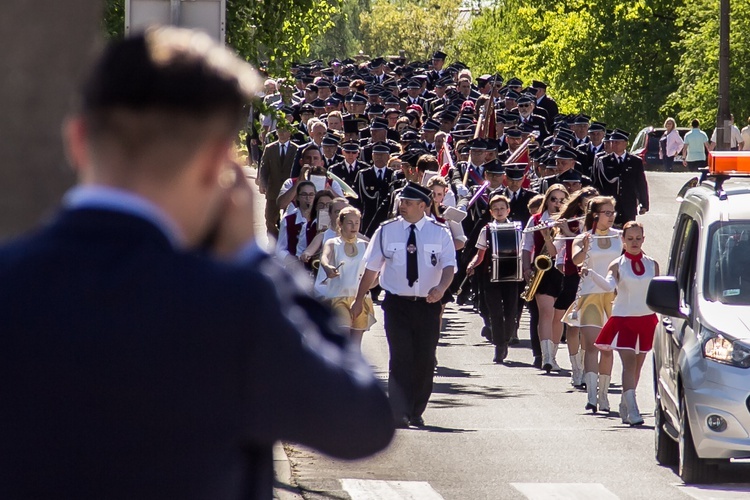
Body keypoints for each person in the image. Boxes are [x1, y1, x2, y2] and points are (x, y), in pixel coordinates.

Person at [0, 27, 394, 499]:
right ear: (216, 166)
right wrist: (256, 257)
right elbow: (362, 420)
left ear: (78, 139)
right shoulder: (234, 303)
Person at [351, 182, 456, 428]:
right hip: (397, 303)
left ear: (423, 206)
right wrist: (359, 299)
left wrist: (441, 288)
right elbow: (372, 268)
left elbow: (450, 265)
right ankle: (399, 411)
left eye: (408, 203)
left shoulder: (439, 232)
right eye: (401, 201)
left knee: (425, 358)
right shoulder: (387, 230)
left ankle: (417, 408)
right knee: (400, 357)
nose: (403, 206)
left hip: (428, 305)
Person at [591, 221, 659, 425]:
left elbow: (656, 292)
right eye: (630, 238)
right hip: (624, 319)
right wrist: (592, 274)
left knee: (638, 366)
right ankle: (634, 407)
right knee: (629, 364)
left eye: (638, 238)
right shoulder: (617, 264)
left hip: (647, 319)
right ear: (623, 240)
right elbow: (609, 285)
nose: (634, 242)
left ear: (643, 239)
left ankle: (624, 403)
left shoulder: (652, 264)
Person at [568, 196, 622, 413]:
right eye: (607, 213)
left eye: (613, 213)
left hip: (613, 298)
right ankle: (591, 396)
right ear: (595, 215)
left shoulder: (620, 236)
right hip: (590, 296)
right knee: (592, 345)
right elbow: (576, 260)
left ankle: (603, 395)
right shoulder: (583, 237)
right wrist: (585, 247)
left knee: (608, 350)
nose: (611, 217)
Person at [467, 194, 523, 363]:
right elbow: (480, 254)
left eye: (502, 208)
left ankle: (505, 338)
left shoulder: (517, 228)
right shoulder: (487, 229)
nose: (499, 212)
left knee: (511, 312)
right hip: (490, 276)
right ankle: (500, 345)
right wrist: (471, 265)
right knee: (495, 312)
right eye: (496, 209)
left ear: (508, 210)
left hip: (512, 276)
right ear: (491, 212)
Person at [552, 187, 598, 386]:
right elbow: (569, 253)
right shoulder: (574, 224)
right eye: (588, 204)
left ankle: (587, 365)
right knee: (573, 326)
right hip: (573, 276)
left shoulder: (601, 226)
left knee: (590, 327)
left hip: (595, 279)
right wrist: (563, 231)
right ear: (580, 205)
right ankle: (576, 368)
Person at [521, 184, 568, 372]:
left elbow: (561, 251)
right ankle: (546, 357)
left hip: (563, 270)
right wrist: (526, 267)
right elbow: (527, 245)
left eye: (561, 200)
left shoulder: (570, 221)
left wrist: (565, 230)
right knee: (546, 313)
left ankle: (553, 355)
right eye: (553, 199)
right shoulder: (536, 219)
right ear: (546, 200)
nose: (557, 203)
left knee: (559, 317)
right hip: (543, 270)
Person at [320, 207, 376, 349]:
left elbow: (376, 269)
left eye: (357, 223)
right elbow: (324, 258)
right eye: (350, 222)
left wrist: (374, 282)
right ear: (340, 224)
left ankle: (351, 371)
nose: (354, 226)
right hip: (338, 296)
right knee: (343, 340)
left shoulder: (366, 245)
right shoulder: (332, 243)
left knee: (355, 347)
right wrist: (327, 267)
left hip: (360, 298)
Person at [258, 126, 298, 237]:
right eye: (279, 130)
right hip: (273, 189)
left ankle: (285, 240)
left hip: (289, 191)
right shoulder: (270, 148)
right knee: (270, 218)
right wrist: (263, 184)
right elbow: (264, 168)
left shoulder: (296, 149)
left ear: (290, 132)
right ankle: (273, 240)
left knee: (289, 218)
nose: (281, 133)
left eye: (284, 130)